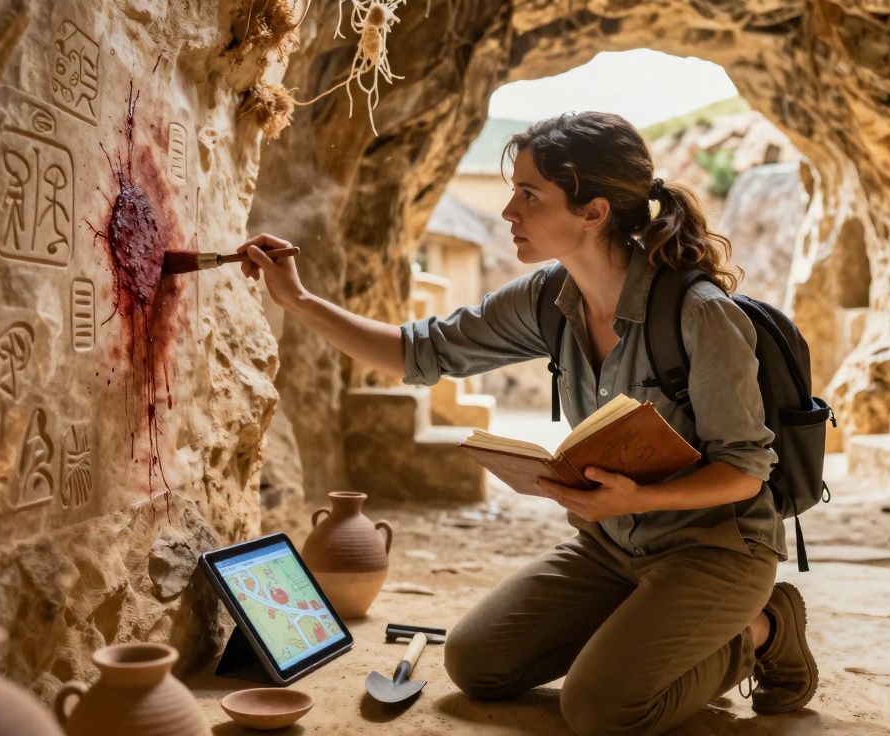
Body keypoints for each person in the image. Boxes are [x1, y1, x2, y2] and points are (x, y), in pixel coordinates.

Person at [237, 111, 817, 735]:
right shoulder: (546, 297)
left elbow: (745, 474)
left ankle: (765, 628)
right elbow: (418, 351)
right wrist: (296, 300)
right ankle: (647, 621)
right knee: (475, 662)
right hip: (612, 544)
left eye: (529, 195)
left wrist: (640, 496)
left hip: (715, 548)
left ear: (593, 213)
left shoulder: (701, 315)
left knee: (600, 709)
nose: (509, 211)